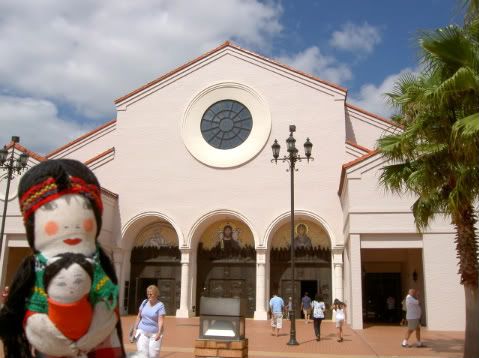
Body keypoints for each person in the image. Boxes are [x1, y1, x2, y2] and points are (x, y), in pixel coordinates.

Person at [133, 285, 165, 357]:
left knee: (153, 355)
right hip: (142, 332)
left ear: (156, 294)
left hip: (155, 334)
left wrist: (159, 332)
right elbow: (139, 317)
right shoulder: (144, 302)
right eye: (148, 294)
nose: (149, 296)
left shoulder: (160, 305)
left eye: (151, 294)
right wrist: (135, 329)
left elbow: (160, 320)